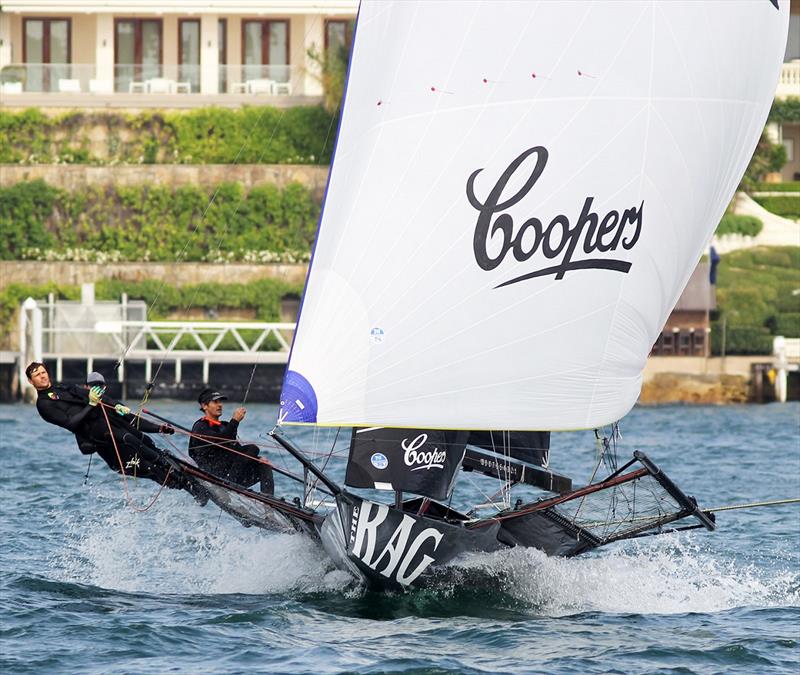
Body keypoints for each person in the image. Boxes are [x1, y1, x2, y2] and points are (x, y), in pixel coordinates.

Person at [26, 362, 199, 498]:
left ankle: (187, 479)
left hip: (122, 436)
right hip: (115, 454)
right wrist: (91, 405)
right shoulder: (43, 405)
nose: (42, 376)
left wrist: (118, 406)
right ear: (30, 381)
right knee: (152, 468)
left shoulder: (65, 388)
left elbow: (131, 419)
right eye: (37, 375)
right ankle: (187, 486)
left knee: (144, 442)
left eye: (43, 372)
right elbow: (71, 424)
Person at [189, 388, 274, 495]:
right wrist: (234, 421)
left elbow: (236, 450)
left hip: (232, 473)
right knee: (252, 448)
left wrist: (257, 459)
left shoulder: (224, 426)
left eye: (220, 402)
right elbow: (220, 441)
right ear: (204, 406)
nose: (220, 405)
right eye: (215, 402)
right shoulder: (200, 426)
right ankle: (229, 485)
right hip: (215, 474)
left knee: (264, 464)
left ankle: (268, 503)